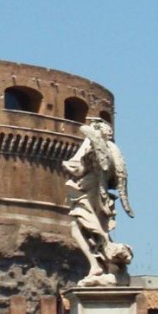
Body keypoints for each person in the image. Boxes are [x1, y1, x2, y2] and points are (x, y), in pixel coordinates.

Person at [62, 118, 135, 286]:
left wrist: (68, 164)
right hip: (100, 193)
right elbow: (118, 179)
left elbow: (77, 168)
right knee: (96, 229)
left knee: (78, 228)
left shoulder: (94, 145)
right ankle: (102, 259)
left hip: (87, 189)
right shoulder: (114, 150)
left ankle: (96, 264)